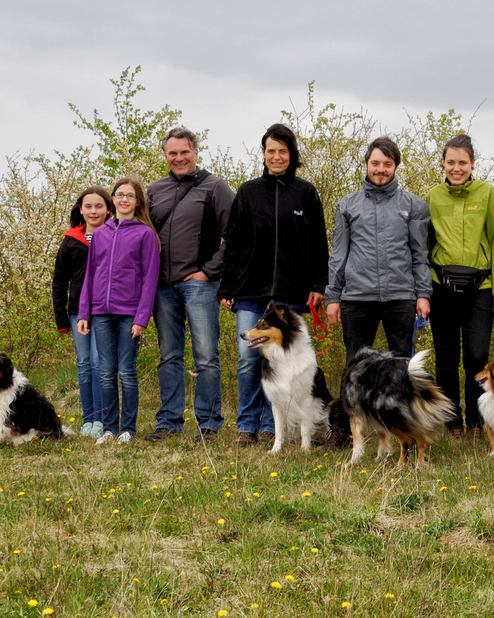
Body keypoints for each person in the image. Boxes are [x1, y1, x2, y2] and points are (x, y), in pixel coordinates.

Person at [219, 123, 329, 448]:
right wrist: (226, 287)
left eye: (283, 151)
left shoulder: (305, 193)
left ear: (291, 154)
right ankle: (246, 425)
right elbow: (234, 243)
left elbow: (317, 245)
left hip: (292, 294)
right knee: (247, 357)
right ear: (264, 154)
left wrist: (318, 284)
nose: (277, 156)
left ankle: (272, 427)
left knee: (284, 363)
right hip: (251, 292)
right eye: (271, 151)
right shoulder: (248, 192)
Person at [145, 127, 235, 443]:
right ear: (165, 155)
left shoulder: (216, 187)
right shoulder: (154, 190)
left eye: (184, 152)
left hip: (199, 284)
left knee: (206, 355)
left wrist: (209, 271)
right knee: (169, 355)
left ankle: (209, 423)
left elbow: (236, 236)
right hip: (161, 287)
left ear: (195, 151)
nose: (179, 158)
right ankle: (169, 422)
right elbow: (141, 235)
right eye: (172, 153)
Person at [425, 133, 494, 430]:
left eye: (462, 162)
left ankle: (477, 421)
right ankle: (451, 421)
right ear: (443, 164)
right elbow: (424, 245)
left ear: (472, 163)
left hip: (481, 289)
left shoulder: (488, 194)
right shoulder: (433, 196)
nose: (456, 168)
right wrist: (422, 290)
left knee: (476, 357)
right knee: (446, 358)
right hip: (441, 288)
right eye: (451, 162)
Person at [325, 137, 432, 361]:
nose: (380, 169)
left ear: (395, 166)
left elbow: (420, 255)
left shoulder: (414, 205)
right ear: (366, 164)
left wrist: (423, 294)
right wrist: (333, 296)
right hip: (356, 298)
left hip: (401, 297)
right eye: (375, 163)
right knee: (355, 367)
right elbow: (338, 255)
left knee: (403, 368)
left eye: (387, 164)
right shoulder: (347, 205)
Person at [77, 177, 160, 445]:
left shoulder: (145, 234)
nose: (124, 200)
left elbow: (150, 279)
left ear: (138, 202)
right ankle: (109, 428)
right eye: (119, 195)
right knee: (105, 371)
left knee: (126, 371)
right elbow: (91, 274)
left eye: (130, 196)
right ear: (113, 200)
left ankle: (128, 429)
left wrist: (142, 318)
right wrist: (84, 312)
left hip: (129, 315)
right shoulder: (101, 233)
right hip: (101, 312)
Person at [52, 187, 113, 438]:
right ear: (80, 209)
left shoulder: (115, 235)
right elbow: (59, 281)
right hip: (78, 311)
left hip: (106, 310)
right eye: (88, 206)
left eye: (99, 206)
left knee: (101, 363)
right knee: (85, 363)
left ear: (108, 209)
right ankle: (88, 419)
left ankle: (101, 418)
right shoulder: (70, 239)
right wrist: (61, 319)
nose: (93, 211)